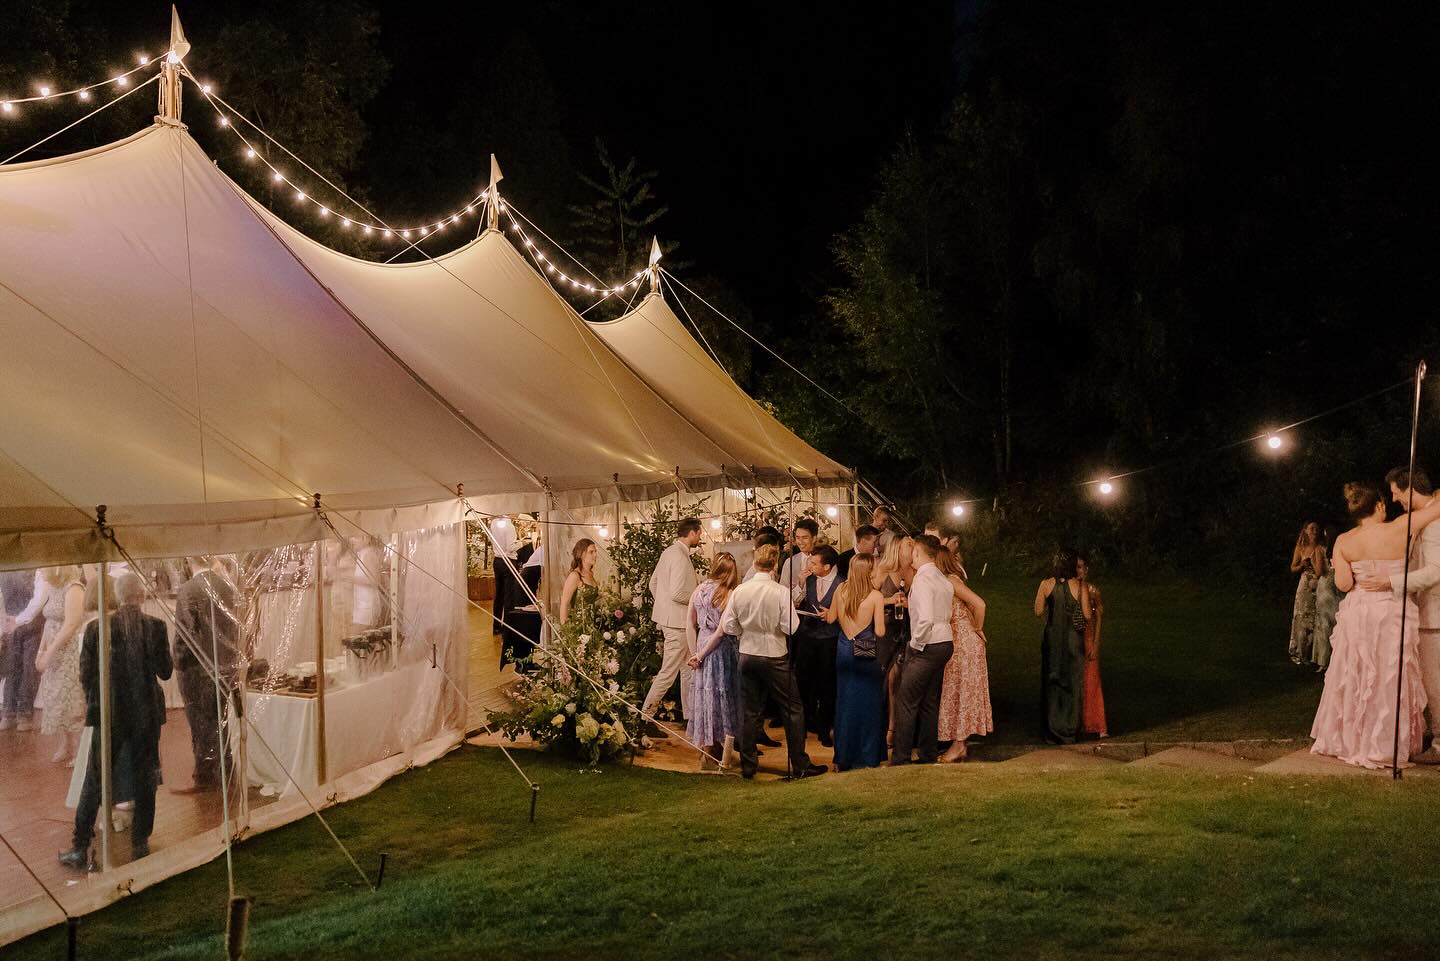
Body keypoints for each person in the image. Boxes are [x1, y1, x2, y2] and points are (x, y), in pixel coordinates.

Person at [1311, 482, 1440, 768]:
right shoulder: (1400, 527)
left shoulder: (1344, 540)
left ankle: (1352, 738)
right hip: (1393, 609)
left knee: (1355, 673)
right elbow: (1435, 510)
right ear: (1380, 506)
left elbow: (1344, 584)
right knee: (1389, 674)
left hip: (1359, 611)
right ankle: (1388, 742)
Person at [59, 573, 171, 868]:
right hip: (146, 715)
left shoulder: (98, 629)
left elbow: (86, 676)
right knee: (145, 778)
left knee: (95, 779)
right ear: (142, 596)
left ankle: (80, 846)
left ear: (118, 597)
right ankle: (140, 843)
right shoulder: (156, 627)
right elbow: (165, 672)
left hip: (110, 714)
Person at [719, 545, 826, 780]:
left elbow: (728, 625)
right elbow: (792, 627)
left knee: (749, 711)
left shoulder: (740, 590)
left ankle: (749, 765)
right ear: (775, 565)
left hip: (747, 653)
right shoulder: (779, 592)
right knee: (793, 709)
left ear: (755, 563)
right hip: (774, 654)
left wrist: (744, 631)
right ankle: (799, 764)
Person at [1356, 468, 1440, 762]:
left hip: (1436, 615)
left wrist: (1390, 582)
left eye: (1395, 491)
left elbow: (1435, 571)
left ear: (1409, 488)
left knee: (1435, 681)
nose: (1394, 498)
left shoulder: (1433, 525)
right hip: (1425, 614)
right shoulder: (1425, 520)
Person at [172, 557, 239, 794]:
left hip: (199, 671)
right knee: (223, 720)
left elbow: (185, 636)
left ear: (189, 561)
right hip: (227, 666)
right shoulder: (228, 586)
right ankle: (226, 770)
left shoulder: (189, 591)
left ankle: (206, 775)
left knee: (201, 723)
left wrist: (178, 663)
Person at [890, 535, 955, 765]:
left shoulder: (923, 579)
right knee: (928, 701)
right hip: (945, 642)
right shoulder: (943, 579)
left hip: (927, 644)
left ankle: (901, 757)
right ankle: (927, 753)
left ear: (918, 552)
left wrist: (915, 645)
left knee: (906, 702)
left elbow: (926, 619)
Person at [826, 552, 887, 770]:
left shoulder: (840, 590)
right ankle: (868, 756)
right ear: (869, 571)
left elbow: (831, 618)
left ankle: (842, 757)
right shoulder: (875, 597)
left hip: (844, 649)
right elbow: (879, 631)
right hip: (865, 649)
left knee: (845, 704)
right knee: (869, 705)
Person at [641, 518, 702, 735]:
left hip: (672, 620)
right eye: (699, 533)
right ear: (692, 533)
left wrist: (663, 606)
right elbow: (677, 593)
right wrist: (698, 595)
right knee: (668, 671)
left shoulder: (669, 552)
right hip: (676, 623)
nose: (700, 537)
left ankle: (689, 716)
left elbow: (653, 583)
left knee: (686, 670)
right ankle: (645, 717)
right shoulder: (679, 556)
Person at [685, 553, 742, 770]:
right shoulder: (729, 593)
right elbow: (720, 632)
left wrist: (695, 653)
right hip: (719, 652)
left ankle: (708, 750)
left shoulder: (699, 590)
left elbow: (689, 624)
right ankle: (720, 751)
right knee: (723, 696)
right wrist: (699, 655)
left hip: (701, 646)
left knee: (704, 696)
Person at [935, 546, 992, 762]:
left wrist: (976, 628)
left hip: (965, 642)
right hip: (957, 640)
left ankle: (958, 744)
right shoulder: (947, 582)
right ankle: (961, 744)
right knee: (957, 690)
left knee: (962, 690)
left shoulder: (951, 581)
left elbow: (980, 604)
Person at [1035, 548, 1091, 744]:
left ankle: (1052, 729)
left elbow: (1037, 610)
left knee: (1052, 681)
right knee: (1074, 682)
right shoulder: (1080, 585)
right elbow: (1086, 614)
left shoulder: (1045, 584)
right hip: (1073, 639)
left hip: (1053, 637)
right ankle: (1070, 728)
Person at [792, 544, 844, 747]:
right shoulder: (809, 579)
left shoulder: (842, 583)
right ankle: (804, 725)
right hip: (807, 637)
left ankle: (825, 728)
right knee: (804, 682)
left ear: (827, 566)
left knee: (827, 684)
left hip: (829, 639)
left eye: (814, 562)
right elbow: (796, 603)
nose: (809, 565)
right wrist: (801, 583)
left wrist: (832, 615)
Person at [35, 567, 87, 765]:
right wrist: (41, 650)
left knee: (73, 698)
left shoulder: (74, 588)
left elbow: (71, 624)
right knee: (57, 697)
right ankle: (66, 744)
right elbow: (48, 621)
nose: (41, 571)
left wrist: (50, 652)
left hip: (69, 651)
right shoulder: (52, 587)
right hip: (53, 648)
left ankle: (80, 750)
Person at [0, 569, 44, 732]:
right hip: (15, 624)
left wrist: (15, 620)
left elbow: (39, 600)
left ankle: (21, 714)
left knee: (28, 670)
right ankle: (10, 713)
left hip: (29, 625)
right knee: (14, 668)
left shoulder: (37, 570)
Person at [1076, 553, 1108, 738]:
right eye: (1076, 567)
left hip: (1088, 638)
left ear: (1086, 570)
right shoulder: (1072, 590)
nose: (1078, 571)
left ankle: (1098, 724)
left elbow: (1099, 618)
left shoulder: (1093, 591)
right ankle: (1080, 723)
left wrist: (1096, 643)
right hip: (1075, 638)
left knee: (1092, 680)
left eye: (1081, 567)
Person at [1289, 521, 1328, 664]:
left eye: (1317, 529)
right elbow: (1293, 567)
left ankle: (1313, 652)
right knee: (1301, 617)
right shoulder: (1300, 547)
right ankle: (1299, 650)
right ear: (1305, 530)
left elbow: (1321, 571)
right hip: (1304, 584)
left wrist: (1313, 563)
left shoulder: (1321, 547)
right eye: (1311, 529)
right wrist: (1301, 565)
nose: (1314, 531)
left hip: (1318, 585)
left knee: (1315, 618)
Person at [559, 538, 600, 625]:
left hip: (592, 626)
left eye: (595, 551)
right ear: (581, 554)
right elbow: (564, 604)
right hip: (578, 627)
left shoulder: (591, 574)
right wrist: (566, 631)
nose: (595, 555)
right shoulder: (575, 576)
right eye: (591, 552)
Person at [778, 518, 819, 595]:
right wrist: (800, 585)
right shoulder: (790, 562)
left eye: (805, 538)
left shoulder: (825, 559)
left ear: (814, 538)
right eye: (797, 537)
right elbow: (782, 594)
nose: (800, 542)